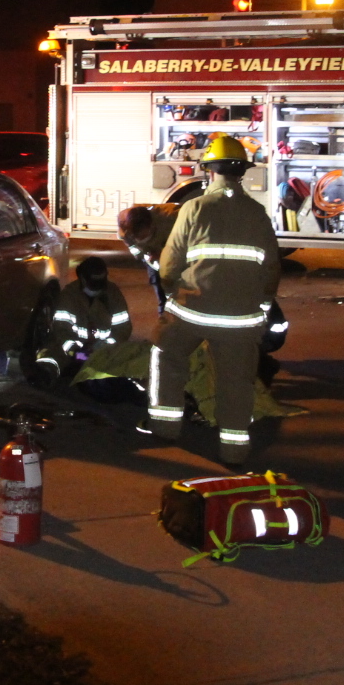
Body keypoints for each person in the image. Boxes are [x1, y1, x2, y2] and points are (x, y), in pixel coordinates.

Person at [146, 135, 283, 467]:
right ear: (241, 174)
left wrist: (173, 290)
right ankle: (234, 449)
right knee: (237, 382)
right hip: (241, 320)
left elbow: (169, 267)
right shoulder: (258, 214)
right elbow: (271, 271)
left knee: (166, 354)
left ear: (209, 171)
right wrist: (261, 309)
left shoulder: (194, 207)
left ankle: (164, 427)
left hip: (193, 310)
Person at [32, 256, 132, 388]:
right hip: (75, 352)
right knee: (51, 351)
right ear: (82, 279)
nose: (97, 288)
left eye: (100, 283)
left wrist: (103, 347)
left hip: (104, 352)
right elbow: (61, 331)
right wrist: (76, 352)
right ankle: (46, 374)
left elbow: (123, 330)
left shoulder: (113, 295)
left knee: (133, 353)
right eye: (93, 283)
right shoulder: (69, 296)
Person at [117, 202, 180, 312]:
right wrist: (145, 255)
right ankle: (164, 317)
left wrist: (166, 253)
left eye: (146, 235)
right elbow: (134, 247)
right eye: (138, 237)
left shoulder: (172, 217)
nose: (143, 239)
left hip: (173, 253)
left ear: (152, 225)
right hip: (153, 259)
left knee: (177, 290)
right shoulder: (124, 229)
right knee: (160, 289)